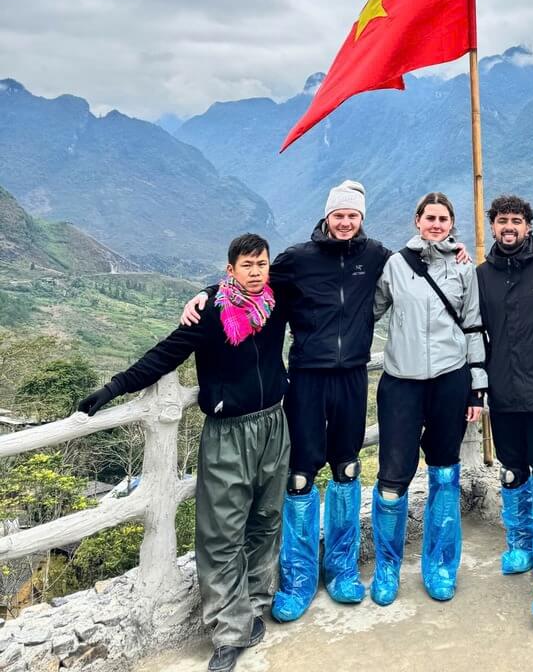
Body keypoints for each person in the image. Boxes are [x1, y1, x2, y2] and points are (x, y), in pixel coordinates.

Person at [180, 180, 390, 619]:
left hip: (352, 375)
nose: (346, 222)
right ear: (327, 216)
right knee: (300, 475)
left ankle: (343, 570)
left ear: (362, 218)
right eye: (339, 215)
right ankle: (296, 579)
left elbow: (411, 267)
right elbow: (247, 279)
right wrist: (204, 292)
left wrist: (458, 253)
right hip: (307, 378)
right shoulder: (298, 259)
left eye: (353, 215)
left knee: (348, 468)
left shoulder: (375, 256)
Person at [78, 235, 288, 672]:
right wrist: (112, 388)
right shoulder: (209, 313)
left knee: (266, 520)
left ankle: (252, 607)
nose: (255, 271)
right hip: (229, 433)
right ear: (230, 270)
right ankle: (229, 632)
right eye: (246, 265)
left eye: (261, 264)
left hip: (274, 424)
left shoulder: (276, 298)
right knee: (222, 533)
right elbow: (163, 356)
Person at [370, 191, 486, 606]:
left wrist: (477, 386)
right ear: (417, 221)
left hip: (450, 381)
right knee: (392, 477)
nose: (436, 224)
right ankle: (387, 566)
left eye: (443, 218)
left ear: (451, 223)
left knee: (444, 472)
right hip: (401, 382)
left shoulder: (462, 268)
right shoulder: (396, 265)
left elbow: (473, 325)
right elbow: (370, 310)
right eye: (429, 217)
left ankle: (441, 565)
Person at [476, 194, 533, 586]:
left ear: (528, 226)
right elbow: (476, 335)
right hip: (503, 394)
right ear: (492, 226)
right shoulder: (481, 275)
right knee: (513, 472)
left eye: (516, 220)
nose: (508, 226)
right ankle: (519, 543)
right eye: (501, 220)